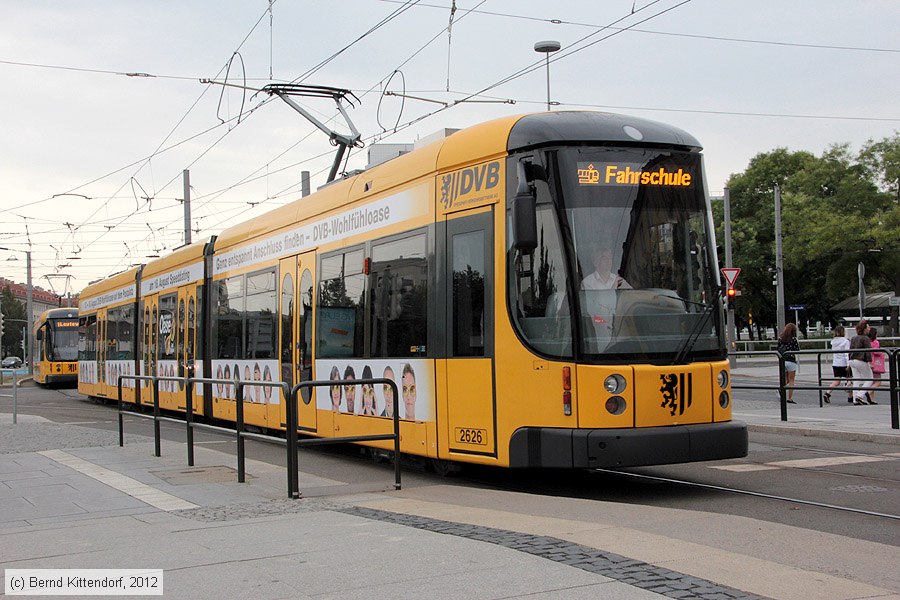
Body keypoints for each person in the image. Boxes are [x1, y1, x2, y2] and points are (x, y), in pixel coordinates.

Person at [848, 320, 874, 405]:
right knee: (870, 378)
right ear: (864, 329)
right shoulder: (865, 338)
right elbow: (868, 351)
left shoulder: (854, 338)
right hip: (861, 360)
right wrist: (870, 362)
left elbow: (850, 350)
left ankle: (855, 399)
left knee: (856, 379)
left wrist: (849, 362)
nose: (869, 328)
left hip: (852, 360)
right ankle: (860, 395)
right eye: (868, 327)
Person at [824, 326, 852, 404]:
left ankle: (828, 393)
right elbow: (847, 353)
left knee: (837, 381)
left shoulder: (833, 341)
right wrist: (848, 364)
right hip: (844, 363)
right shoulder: (845, 341)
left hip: (836, 363)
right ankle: (850, 397)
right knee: (849, 379)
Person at [776, 323, 800, 403]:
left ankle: (780, 389)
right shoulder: (793, 339)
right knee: (791, 380)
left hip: (783, 360)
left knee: (785, 379)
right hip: (791, 360)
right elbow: (797, 350)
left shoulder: (781, 339)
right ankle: (789, 398)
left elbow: (778, 349)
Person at [867, 327, 885, 404]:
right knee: (878, 382)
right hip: (876, 364)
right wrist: (882, 353)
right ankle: (868, 392)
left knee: (872, 381)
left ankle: (871, 399)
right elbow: (876, 352)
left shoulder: (867, 342)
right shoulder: (876, 342)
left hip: (869, 363)